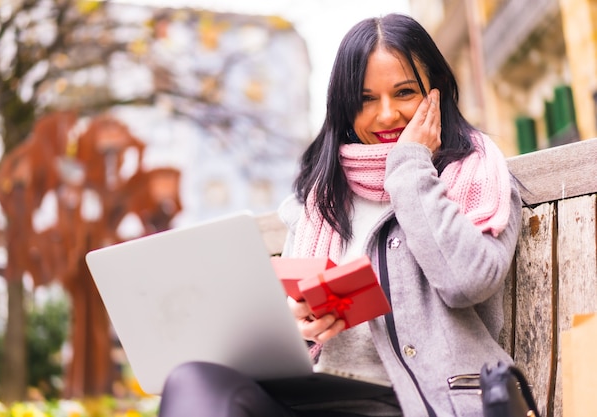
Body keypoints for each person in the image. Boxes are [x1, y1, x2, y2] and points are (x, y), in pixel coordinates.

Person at [158, 12, 522, 417]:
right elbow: (296, 320)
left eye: (404, 93)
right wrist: (296, 327)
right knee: (191, 381)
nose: (385, 115)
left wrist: (410, 165)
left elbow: (465, 281)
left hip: (428, 402)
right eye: (366, 99)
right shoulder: (320, 198)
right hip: (323, 401)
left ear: (434, 94)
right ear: (345, 108)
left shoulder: (476, 174)